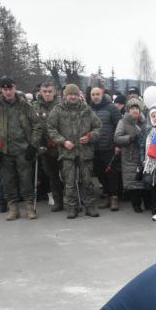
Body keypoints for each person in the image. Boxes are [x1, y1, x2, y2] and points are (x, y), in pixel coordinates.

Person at [0, 76, 43, 221]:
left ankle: (29, 207)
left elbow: (37, 125)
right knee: (8, 180)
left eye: (10, 88)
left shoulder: (25, 105)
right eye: (5, 89)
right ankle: (13, 208)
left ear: (15, 88)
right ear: (1, 90)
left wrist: (33, 145)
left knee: (26, 179)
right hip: (4, 150)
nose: (8, 92)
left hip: (23, 149)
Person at [46, 84, 102, 219]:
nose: (73, 96)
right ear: (66, 95)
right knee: (69, 182)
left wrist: (89, 137)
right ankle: (72, 207)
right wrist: (63, 141)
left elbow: (98, 127)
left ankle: (89, 206)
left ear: (78, 95)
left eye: (75, 94)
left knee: (87, 180)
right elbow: (50, 128)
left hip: (84, 151)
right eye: (70, 94)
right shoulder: (58, 110)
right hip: (67, 152)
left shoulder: (86, 109)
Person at [88, 86, 122, 211]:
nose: (95, 96)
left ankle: (114, 198)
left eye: (97, 94)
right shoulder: (89, 109)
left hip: (109, 148)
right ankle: (107, 196)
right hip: (94, 149)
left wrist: (118, 145)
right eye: (93, 94)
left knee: (111, 175)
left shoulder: (111, 108)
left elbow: (120, 126)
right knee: (100, 175)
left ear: (102, 94)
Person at [33, 82, 64, 212]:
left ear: (55, 92)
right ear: (40, 92)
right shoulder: (34, 106)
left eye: (50, 91)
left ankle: (72, 200)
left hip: (61, 146)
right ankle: (58, 202)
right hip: (45, 148)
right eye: (44, 91)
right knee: (52, 176)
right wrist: (37, 145)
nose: (47, 94)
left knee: (67, 175)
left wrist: (60, 140)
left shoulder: (62, 105)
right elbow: (33, 126)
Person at [114, 99, 148, 213]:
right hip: (130, 157)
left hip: (144, 155)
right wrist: (129, 138)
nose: (135, 110)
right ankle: (136, 205)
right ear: (128, 110)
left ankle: (147, 203)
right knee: (134, 183)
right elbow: (117, 138)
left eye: (137, 108)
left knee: (145, 181)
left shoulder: (145, 121)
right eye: (132, 108)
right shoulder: (123, 122)